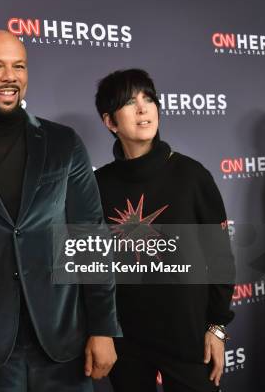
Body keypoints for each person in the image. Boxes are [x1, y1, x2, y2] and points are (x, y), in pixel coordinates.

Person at [0, 30, 121, 391]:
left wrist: (103, 327)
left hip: (63, 336)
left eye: (18, 66)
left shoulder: (63, 144)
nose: (9, 76)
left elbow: (89, 234)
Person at [94, 68, 235, 392]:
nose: (143, 109)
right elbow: (92, 269)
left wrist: (216, 328)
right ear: (110, 122)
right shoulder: (97, 185)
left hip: (189, 339)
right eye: (130, 102)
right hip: (126, 343)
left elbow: (220, 258)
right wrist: (99, 330)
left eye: (148, 99)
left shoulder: (192, 176)